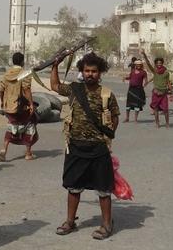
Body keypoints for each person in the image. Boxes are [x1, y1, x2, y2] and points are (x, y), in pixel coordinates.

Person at [50, 52, 120, 240]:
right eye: (87, 70)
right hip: (75, 147)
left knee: (104, 189)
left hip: (98, 148)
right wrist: (55, 66)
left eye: (94, 71)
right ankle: (70, 222)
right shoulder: (74, 89)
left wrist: (107, 135)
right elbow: (55, 86)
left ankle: (106, 224)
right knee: (73, 187)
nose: (90, 74)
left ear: (100, 73)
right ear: (82, 71)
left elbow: (115, 116)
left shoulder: (107, 94)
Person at [0, 52, 37, 162]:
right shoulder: (24, 73)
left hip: (9, 107)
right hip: (21, 107)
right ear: (22, 62)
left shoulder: (6, 74)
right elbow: (27, 89)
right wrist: (31, 104)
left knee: (12, 127)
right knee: (30, 125)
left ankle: (3, 150)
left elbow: (1, 90)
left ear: (13, 61)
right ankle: (28, 153)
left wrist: (2, 102)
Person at [141, 49, 173, 128]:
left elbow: (168, 82)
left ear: (162, 63)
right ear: (156, 64)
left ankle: (167, 123)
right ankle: (157, 123)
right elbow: (148, 63)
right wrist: (144, 54)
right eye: (157, 63)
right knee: (155, 109)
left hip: (163, 93)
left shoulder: (166, 72)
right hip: (156, 93)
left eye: (160, 63)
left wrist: (171, 91)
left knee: (165, 109)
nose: (159, 64)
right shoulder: (154, 71)